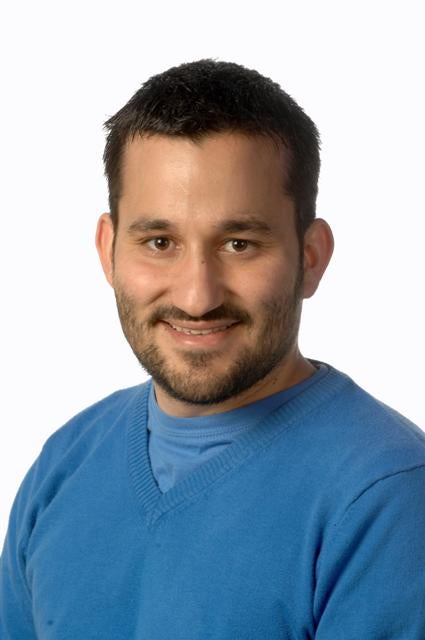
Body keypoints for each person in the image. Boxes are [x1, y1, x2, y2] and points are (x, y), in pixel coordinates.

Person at [1, 59, 424, 639]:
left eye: (238, 243)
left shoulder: (387, 497)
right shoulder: (63, 464)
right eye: (160, 242)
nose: (197, 297)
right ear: (108, 250)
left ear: (310, 258)